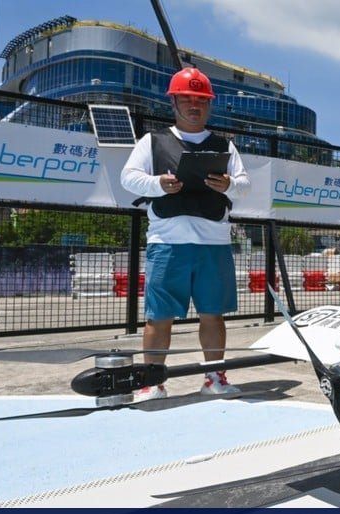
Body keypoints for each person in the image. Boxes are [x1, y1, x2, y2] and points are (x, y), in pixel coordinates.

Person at [121, 67, 250, 400]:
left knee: (213, 315)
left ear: (209, 104)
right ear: (174, 101)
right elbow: (128, 177)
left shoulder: (224, 145)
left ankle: (214, 379)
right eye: (188, 98)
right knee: (159, 317)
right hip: (168, 242)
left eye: (201, 100)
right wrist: (158, 184)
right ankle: (152, 382)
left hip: (213, 243)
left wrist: (229, 184)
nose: (195, 105)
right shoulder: (153, 141)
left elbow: (244, 186)